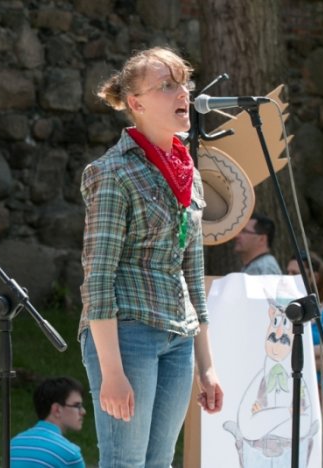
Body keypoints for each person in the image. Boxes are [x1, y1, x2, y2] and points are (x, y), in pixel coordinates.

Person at [78, 47, 224, 467]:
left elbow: (192, 272)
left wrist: (207, 365)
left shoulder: (188, 173)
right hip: (128, 335)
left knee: (160, 463)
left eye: (184, 83)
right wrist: (112, 371)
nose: (183, 93)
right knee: (125, 462)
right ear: (136, 104)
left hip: (179, 336)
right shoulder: (112, 172)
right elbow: (98, 277)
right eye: (167, 85)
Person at [287, 253, 323, 419]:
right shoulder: (286, 311)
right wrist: (317, 357)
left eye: (295, 273)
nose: (289, 277)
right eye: (287, 272)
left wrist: (295, 354)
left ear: (315, 277)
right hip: (294, 399)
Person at [10, 377, 87, 468]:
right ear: (57, 410)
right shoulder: (69, 454)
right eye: (77, 406)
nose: (83, 412)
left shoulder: (13, 445)